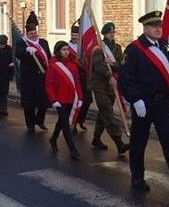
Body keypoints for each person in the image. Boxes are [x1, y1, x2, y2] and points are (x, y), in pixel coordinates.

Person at [120, 11, 169, 197]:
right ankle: (137, 177)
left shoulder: (165, 46)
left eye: (160, 26)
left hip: (163, 103)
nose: (158, 29)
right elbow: (126, 77)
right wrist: (135, 100)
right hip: (144, 103)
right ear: (145, 27)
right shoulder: (134, 49)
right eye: (154, 26)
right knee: (139, 142)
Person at [89, 22, 129, 155]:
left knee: (103, 114)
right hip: (99, 85)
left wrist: (113, 65)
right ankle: (119, 143)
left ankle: (95, 139)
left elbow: (120, 64)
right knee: (108, 112)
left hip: (111, 86)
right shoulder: (99, 48)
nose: (112, 34)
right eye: (109, 32)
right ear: (104, 34)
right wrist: (109, 75)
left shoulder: (117, 48)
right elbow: (98, 65)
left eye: (113, 32)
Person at [14, 11, 51, 132]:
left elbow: (48, 57)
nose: (33, 35)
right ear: (27, 34)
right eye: (31, 33)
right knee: (29, 102)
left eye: (35, 33)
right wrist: (26, 51)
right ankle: (30, 124)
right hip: (29, 77)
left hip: (42, 76)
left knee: (44, 101)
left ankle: (40, 121)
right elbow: (18, 54)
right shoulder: (22, 43)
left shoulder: (43, 42)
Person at [45, 41, 82, 160]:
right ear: (58, 51)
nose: (66, 52)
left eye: (67, 49)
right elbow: (49, 84)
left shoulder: (73, 64)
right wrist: (53, 99)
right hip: (60, 99)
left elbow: (77, 82)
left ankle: (53, 139)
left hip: (72, 98)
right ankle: (73, 149)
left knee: (61, 121)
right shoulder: (53, 65)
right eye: (63, 50)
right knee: (66, 124)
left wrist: (80, 97)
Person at [67, 22, 92, 131]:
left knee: (87, 101)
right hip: (74, 78)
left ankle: (81, 120)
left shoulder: (84, 47)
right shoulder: (67, 47)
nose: (74, 38)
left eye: (76, 36)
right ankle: (73, 122)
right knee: (76, 101)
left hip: (85, 77)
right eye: (73, 36)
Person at [0, 35, 14, 116]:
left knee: (4, 92)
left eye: (3, 44)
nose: (2, 46)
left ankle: (3, 109)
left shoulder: (8, 49)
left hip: (5, 74)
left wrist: (11, 73)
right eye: (0, 44)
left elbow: (11, 61)